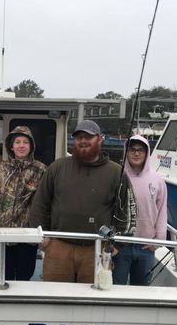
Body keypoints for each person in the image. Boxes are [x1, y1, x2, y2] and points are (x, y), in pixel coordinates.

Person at [29, 119, 136, 283]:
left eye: (89, 137)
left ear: (100, 139)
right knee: (55, 298)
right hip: (58, 247)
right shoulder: (57, 167)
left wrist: (118, 245)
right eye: (79, 137)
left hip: (97, 249)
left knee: (93, 303)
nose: (83, 141)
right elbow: (40, 204)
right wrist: (42, 236)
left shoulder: (116, 173)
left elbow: (127, 212)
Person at [0, 126, 46, 280]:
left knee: (25, 277)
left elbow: (45, 203)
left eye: (25, 142)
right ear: (11, 146)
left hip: (28, 236)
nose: (21, 145)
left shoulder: (41, 169)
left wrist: (42, 233)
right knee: (4, 276)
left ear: (31, 146)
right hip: (2, 234)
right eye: (17, 142)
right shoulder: (1, 168)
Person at [113, 135, 167, 285]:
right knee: (116, 289)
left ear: (147, 153)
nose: (136, 153)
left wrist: (159, 241)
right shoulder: (117, 176)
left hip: (146, 247)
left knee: (142, 289)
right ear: (126, 152)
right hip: (120, 245)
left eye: (140, 150)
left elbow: (162, 211)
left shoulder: (158, 181)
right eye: (132, 150)